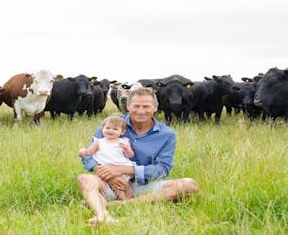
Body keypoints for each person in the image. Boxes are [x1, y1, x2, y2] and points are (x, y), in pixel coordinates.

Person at [78, 87, 199, 225]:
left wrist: (125, 170)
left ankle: (118, 204)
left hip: (145, 186)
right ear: (128, 106)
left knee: (189, 185)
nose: (141, 111)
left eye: (146, 106)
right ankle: (103, 215)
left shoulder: (167, 135)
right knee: (85, 179)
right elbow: (88, 155)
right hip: (109, 183)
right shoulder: (111, 124)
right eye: (136, 106)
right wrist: (106, 173)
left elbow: (163, 169)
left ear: (155, 107)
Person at [78, 115, 135, 200]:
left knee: (127, 186)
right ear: (102, 129)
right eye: (108, 128)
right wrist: (83, 152)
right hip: (105, 170)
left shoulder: (124, 142)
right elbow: (90, 152)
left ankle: (129, 200)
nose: (110, 131)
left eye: (115, 129)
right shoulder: (99, 142)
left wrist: (127, 149)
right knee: (114, 187)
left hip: (122, 169)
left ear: (122, 132)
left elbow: (130, 155)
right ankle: (121, 200)